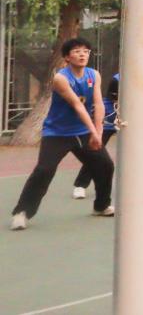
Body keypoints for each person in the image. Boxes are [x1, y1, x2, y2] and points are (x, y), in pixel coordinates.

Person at [11, 38, 114, 230]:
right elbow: (77, 105)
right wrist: (94, 131)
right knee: (44, 170)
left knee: (105, 165)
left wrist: (98, 132)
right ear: (67, 57)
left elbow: (98, 103)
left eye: (86, 51)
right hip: (57, 133)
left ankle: (101, 206)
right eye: (77, 51)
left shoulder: (94, 75)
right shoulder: (61, 78)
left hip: (83, 132)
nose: (82, 54)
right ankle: (22, 212)